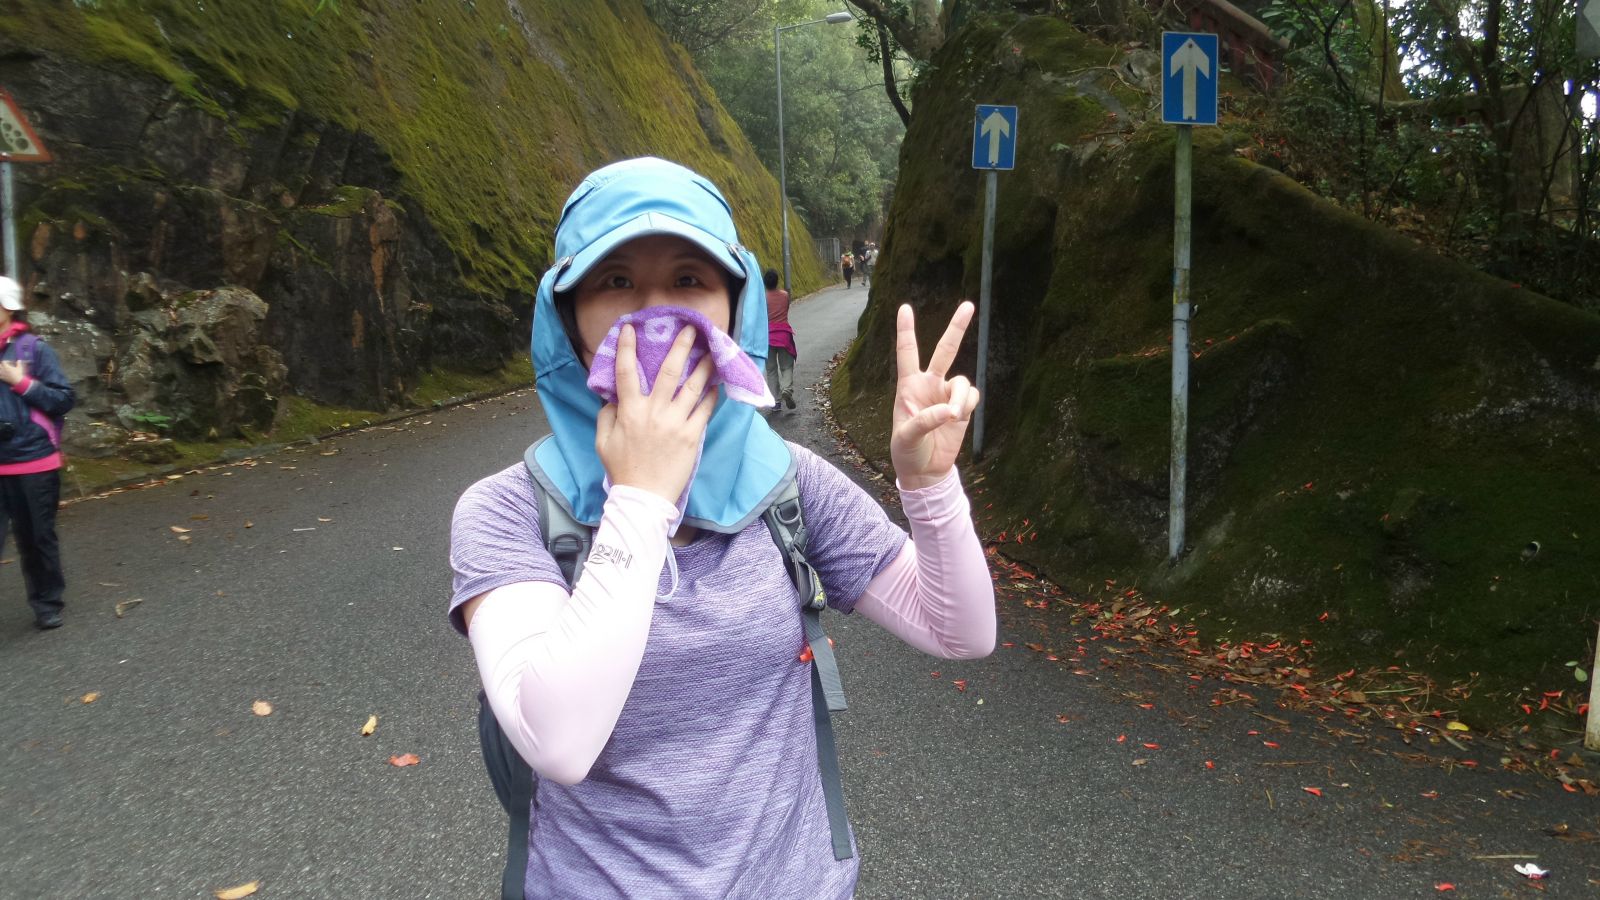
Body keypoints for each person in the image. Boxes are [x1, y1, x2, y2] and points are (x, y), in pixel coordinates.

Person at [449, 158, 994, 898]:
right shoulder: (507, 510)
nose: (655, 315)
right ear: (566, 316)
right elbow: (559, 744)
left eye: (688, 279)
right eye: (615, 281)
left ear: (735, 309)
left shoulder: (785, 480)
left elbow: (961, 631)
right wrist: (641, 497)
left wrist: (929, 485)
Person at [0, 276, 74, 630]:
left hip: (34, 462)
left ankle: (47, 603)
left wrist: (22, 383)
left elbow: (63, 399)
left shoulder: (34, 349)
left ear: (8, 307)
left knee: (36, 538)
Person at [764, 268, 797, 410]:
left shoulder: (762, 298)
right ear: (777, 281)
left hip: (767, 337)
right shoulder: (785, 295)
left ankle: (775, 402)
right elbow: (786, 309)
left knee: (771, 370)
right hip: (783, 335)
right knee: (786, 366)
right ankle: (786, 390)